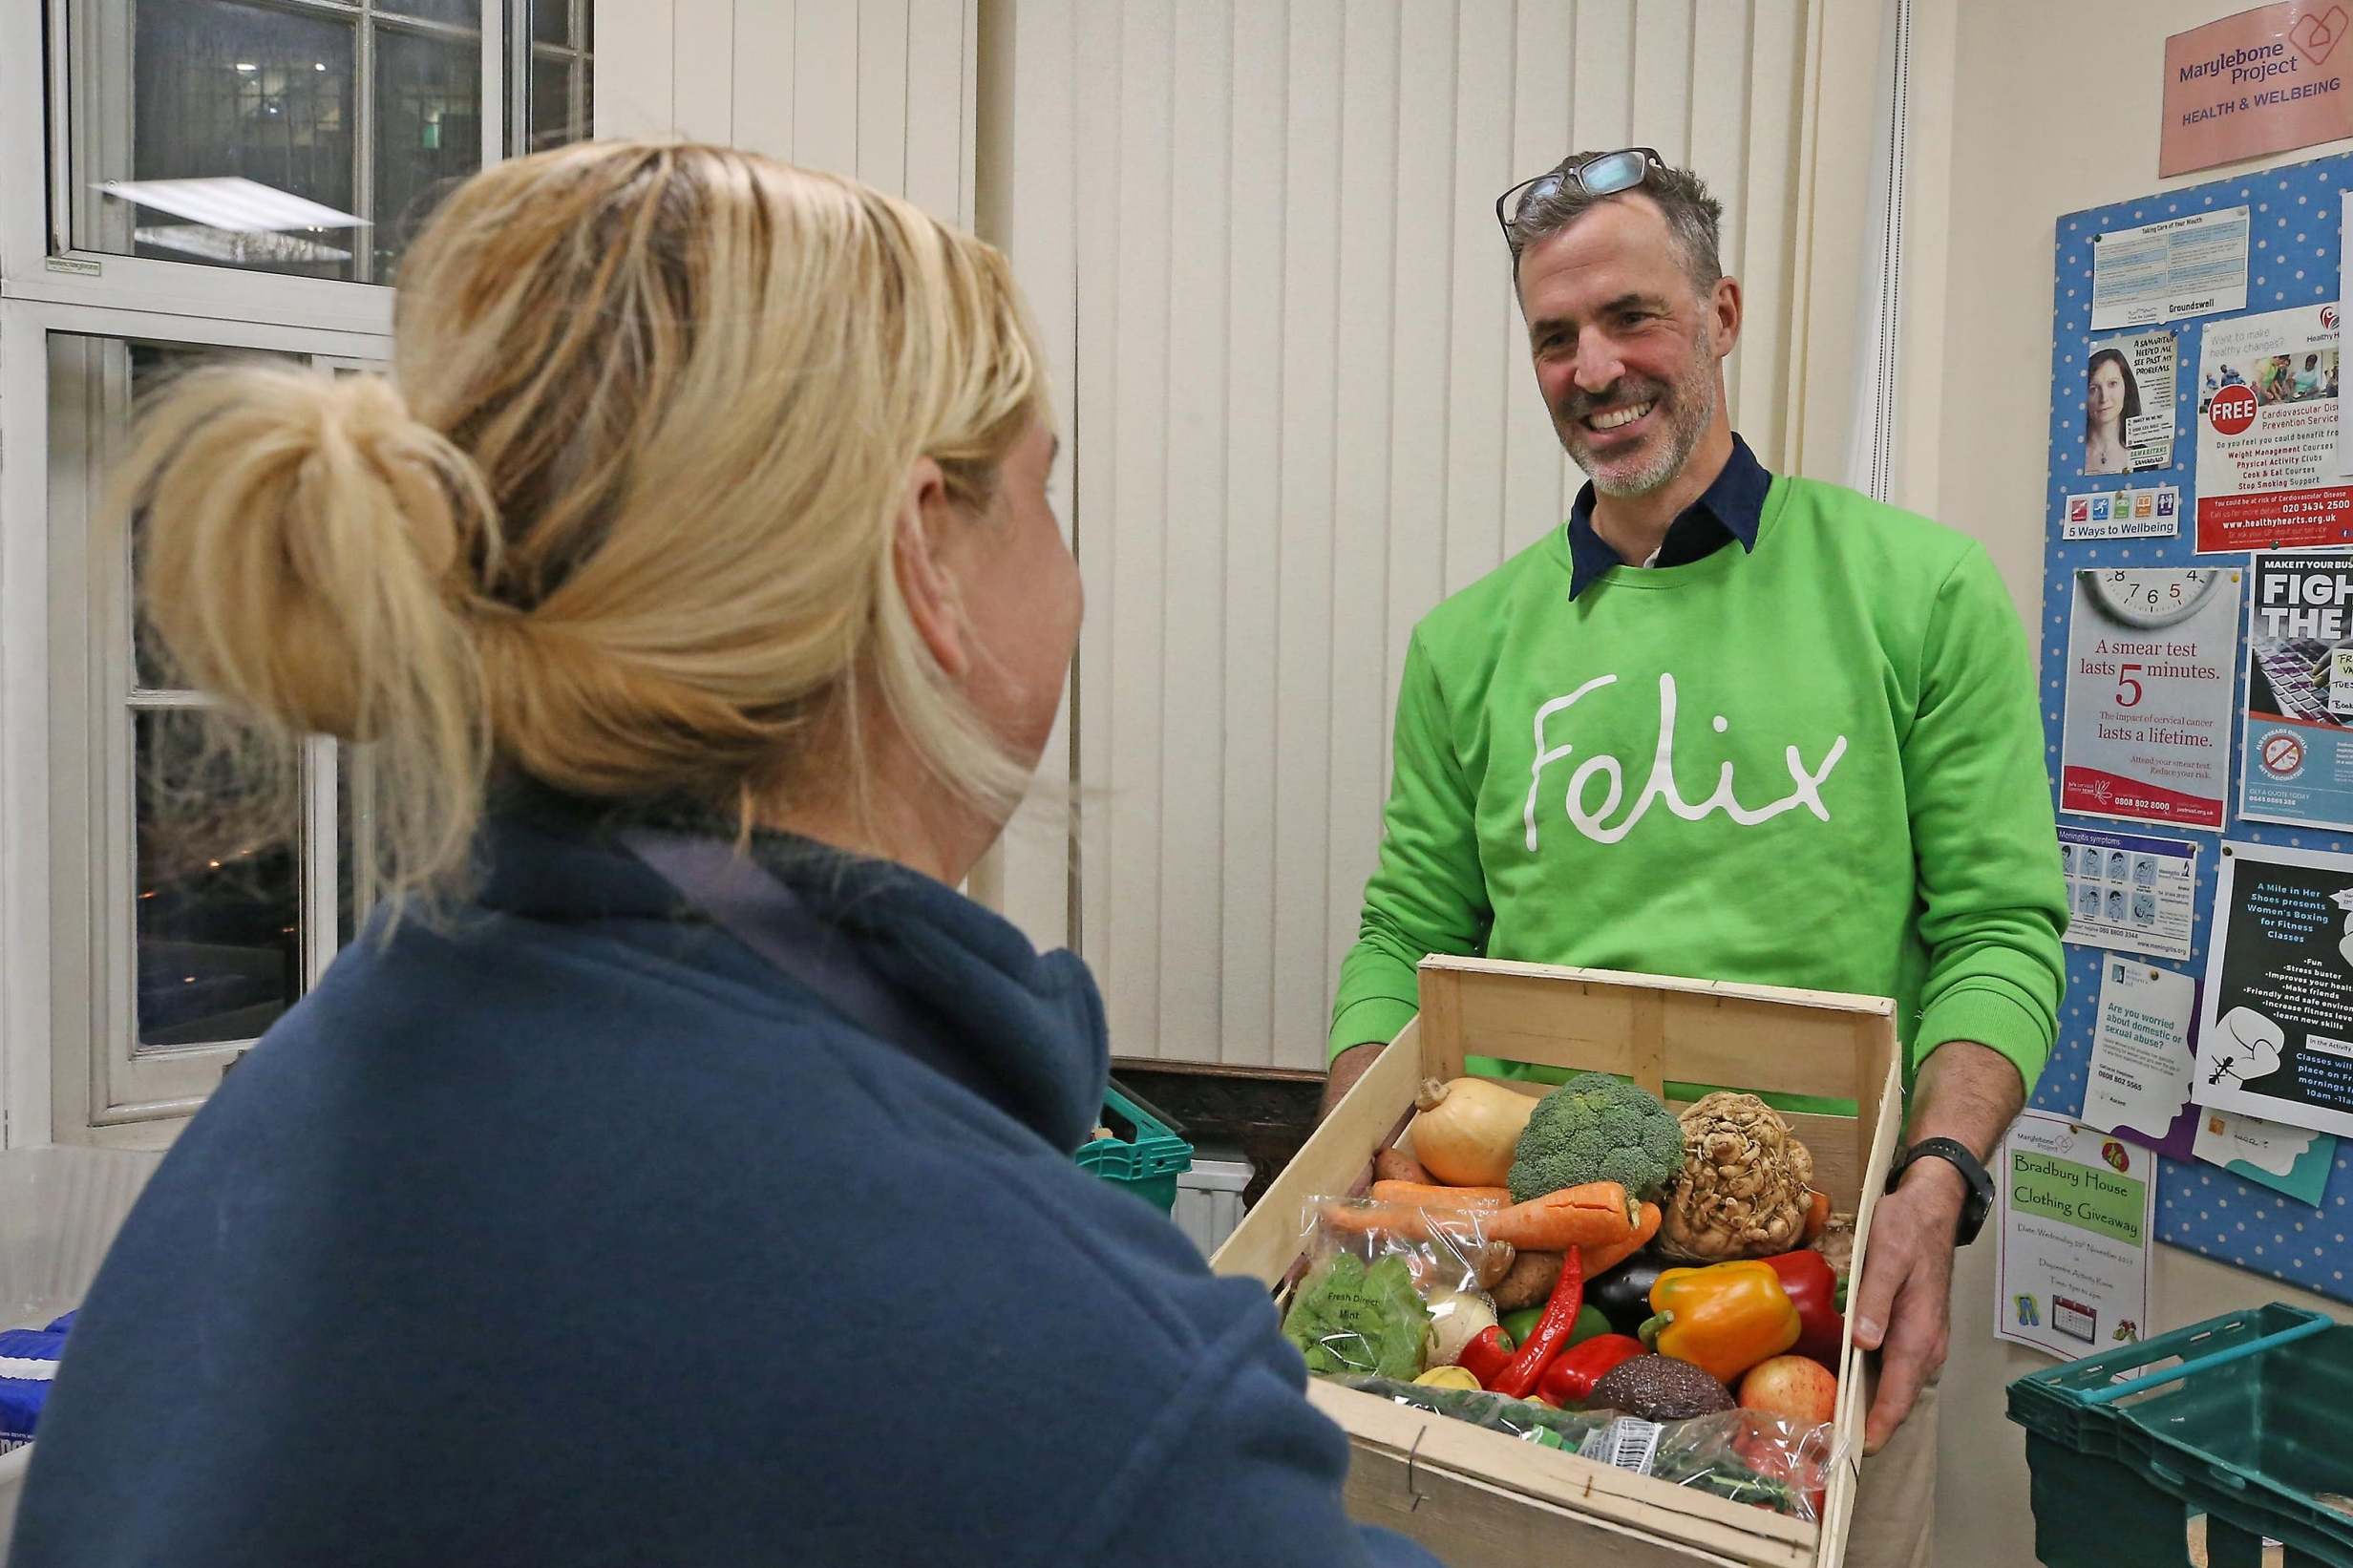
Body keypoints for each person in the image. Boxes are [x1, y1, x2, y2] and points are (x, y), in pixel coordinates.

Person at [11, 142, 1438, 1568]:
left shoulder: (306, 1095)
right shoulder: (1078, 1380)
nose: (1072, 576)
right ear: (923, 560)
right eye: (1045, 496)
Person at [1320, 149, 2066, 1568]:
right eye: (1555, 335)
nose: (1594, 368)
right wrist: (1353, 1178)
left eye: (1633, 317)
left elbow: (2002, 929)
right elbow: (1403, 929)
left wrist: (1940, 1173)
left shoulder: (1921, 589)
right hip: (1534, 1287)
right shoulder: (1466, 646)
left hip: (1815, 1289)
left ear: (1722, 312)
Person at [2083, 347, 2137, 474]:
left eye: (2112, 384)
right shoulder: (2071, 455)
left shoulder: (2144, 455)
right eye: (2093, 388)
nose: (2104, 398)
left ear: (2127, 387)